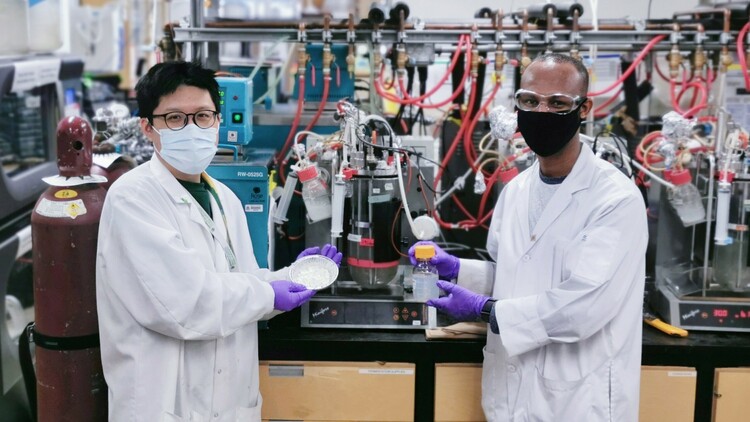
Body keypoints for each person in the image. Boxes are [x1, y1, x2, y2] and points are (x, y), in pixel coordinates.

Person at [96, 60, 342, 422]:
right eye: (176, 118)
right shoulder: (132, 199)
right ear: (148, 127)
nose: (192, 128)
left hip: (227, 405)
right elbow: (188, 304)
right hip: (165, 405)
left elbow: (237, 282)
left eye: (203, 116)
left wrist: (287, 277)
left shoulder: (223, 197)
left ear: (218, 121)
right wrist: (269, 293)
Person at [411, 53, 648, 421]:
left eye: (557, 103)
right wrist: (461, 271)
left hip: (578, 402)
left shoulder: (615, 199)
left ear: (583, 108)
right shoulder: (517, 190)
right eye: (529, 101)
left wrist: (483, 309)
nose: (541, 112)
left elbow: (583, 308)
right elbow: (516, 276)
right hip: (510, 395)